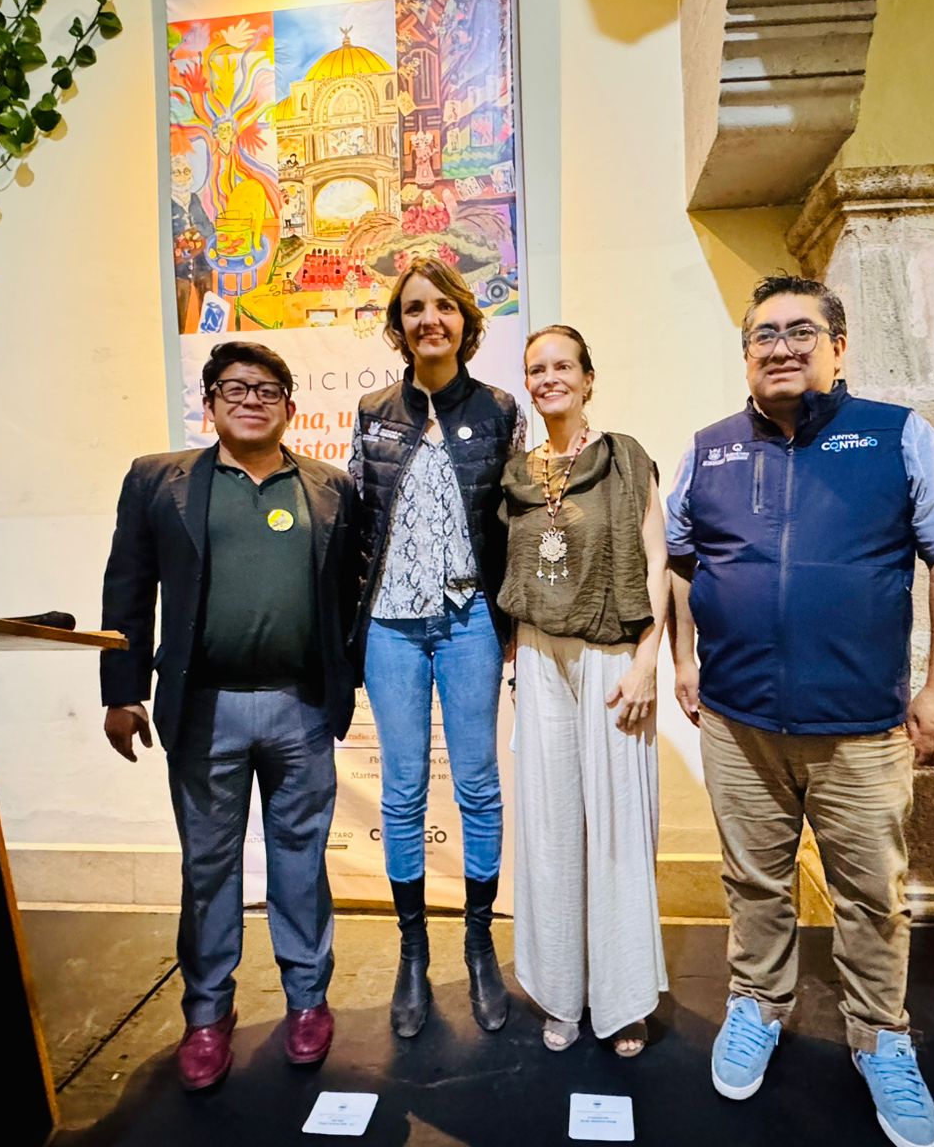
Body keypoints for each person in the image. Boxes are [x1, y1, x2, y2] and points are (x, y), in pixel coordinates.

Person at [666, 275, 934, 1147]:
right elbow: (683, 562)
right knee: (754, 882)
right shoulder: (709, 448)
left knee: (870, 895)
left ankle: (880, 1036)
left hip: (862, 731)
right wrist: (684, 661)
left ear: (838, 346)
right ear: (745, 354)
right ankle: (757, 1008)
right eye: (762, 334)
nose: (780, 346)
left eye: (800, 330)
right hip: (739, 725)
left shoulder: (896, 436)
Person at [100, 341, 360, 1090]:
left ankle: (308, 1002)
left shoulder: (330, 488)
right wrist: (122, 690)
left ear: (290, 406)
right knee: (209, 868)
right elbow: (128, 587)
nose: (251, 398)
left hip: (300, 709)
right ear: (209, 402)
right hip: (204, 709)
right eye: (234, 387)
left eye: (268, 388)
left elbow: (347, 594)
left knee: (300, 864)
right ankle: (207, 1015)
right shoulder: (160, 482)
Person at [348, 257, 525, 1038]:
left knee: (480, 784)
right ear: (400, 325)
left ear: (464, 319)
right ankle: (412, 951)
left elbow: (517, 522)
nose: (430, 320)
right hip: (389, 623)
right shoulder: (371, 410)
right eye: (415, 308)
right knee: (403, 788)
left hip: (469, 621)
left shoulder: (498, 410)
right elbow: (355, 521)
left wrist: (519, 621)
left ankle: (478, 943)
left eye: (443, 307)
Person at [497, 325, 670, 1057]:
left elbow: (658, 561)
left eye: (563, 365)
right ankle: (562, 992)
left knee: (619, 829)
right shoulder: (516, 473)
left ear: (589, 378)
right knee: (551, 828)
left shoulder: (626, 458)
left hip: (610, 656)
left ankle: (624, 998)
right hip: (538, 658)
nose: (549, 379)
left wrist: (647, 659)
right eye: (536, 369)